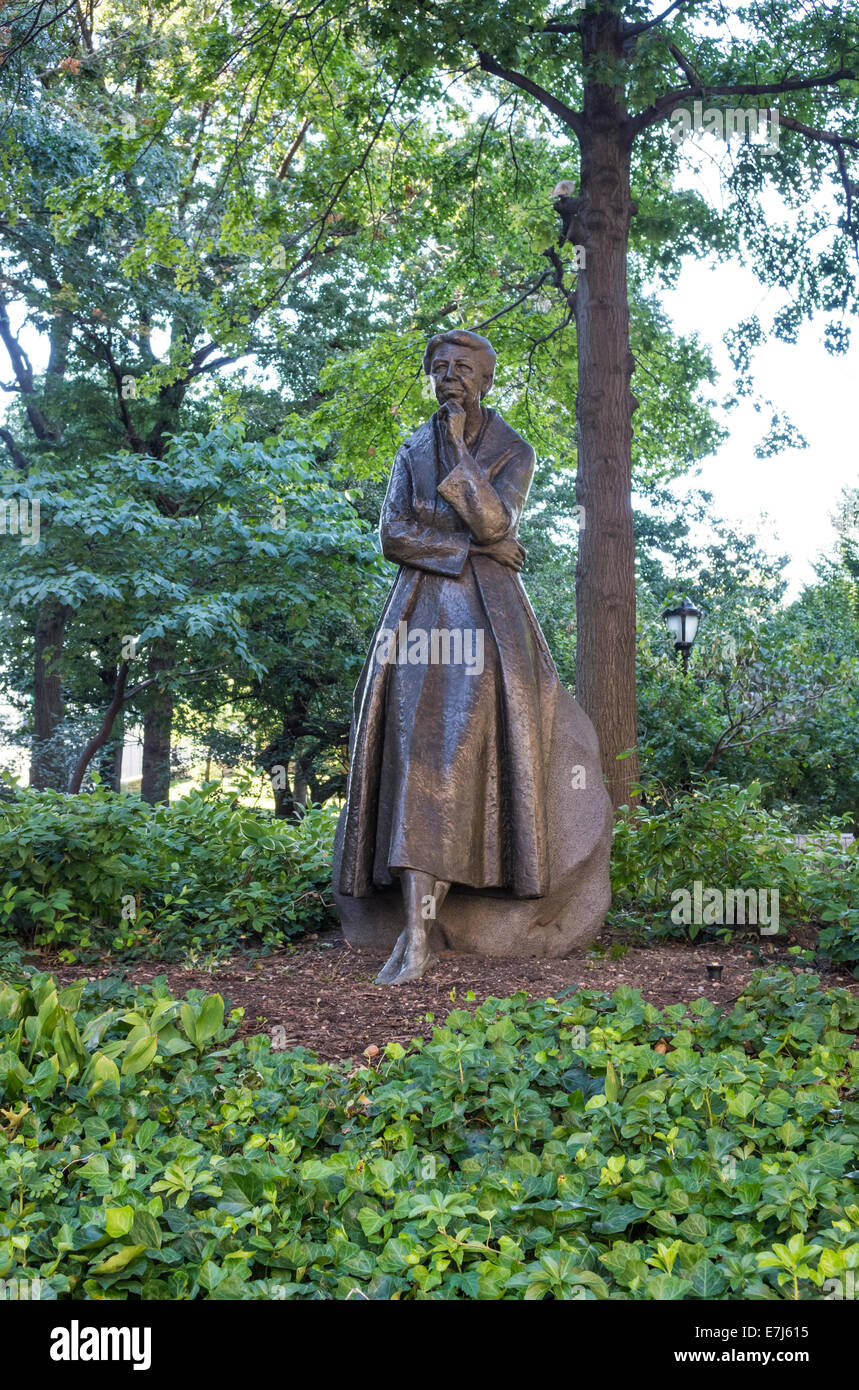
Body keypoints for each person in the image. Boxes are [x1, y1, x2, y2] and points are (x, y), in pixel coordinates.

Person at [337, 329, 561, 983]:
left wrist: (462, 456)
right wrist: (470, 549)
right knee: (412, 758)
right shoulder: (410, 447)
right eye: (438, 367)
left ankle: (434, 923)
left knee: (461, 758)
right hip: (417, 615)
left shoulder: (513, 449)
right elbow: (391, 534)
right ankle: (413, 934)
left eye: (461, 367)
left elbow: (497, 522)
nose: (448, 376)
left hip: (485, 621)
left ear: (486, 379)